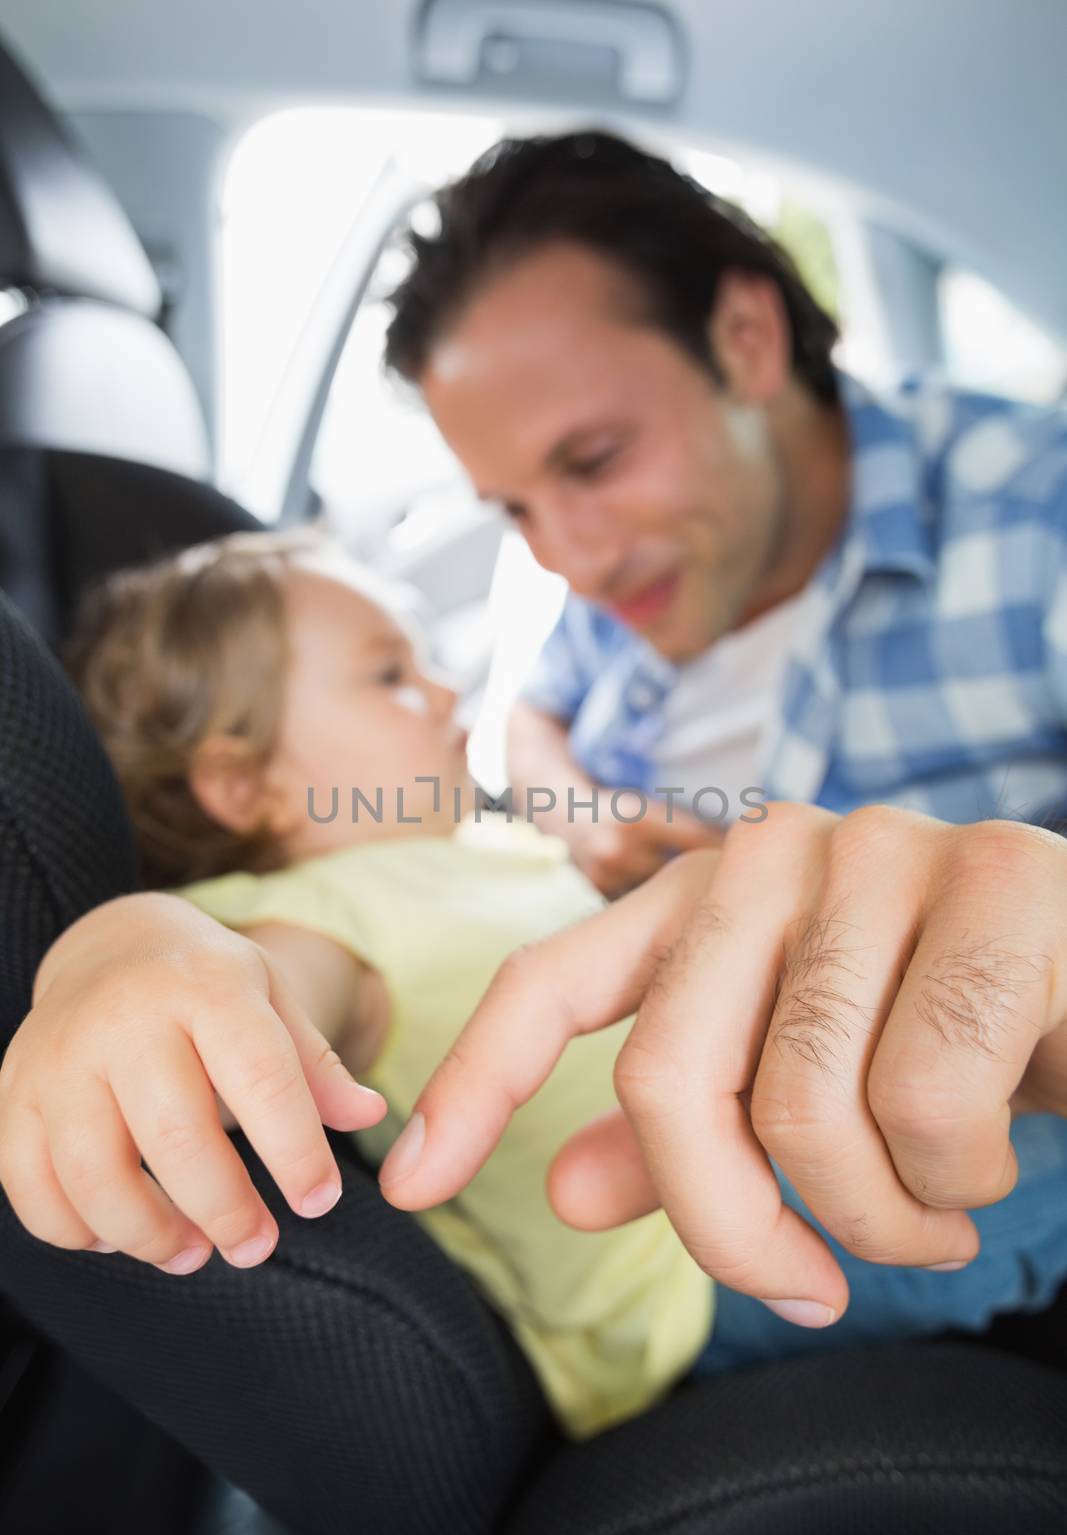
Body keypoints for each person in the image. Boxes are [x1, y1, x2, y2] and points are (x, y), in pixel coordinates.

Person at [370, 127, 1067, 1336]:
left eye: (591, 460)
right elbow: (526, 718)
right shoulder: (629, 585)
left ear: (744, 339)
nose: (567, 557)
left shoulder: (1033, 523)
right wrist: (582, 816)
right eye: (515, 508)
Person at [0, 528, 717, 1440]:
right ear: (241, 781)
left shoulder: (465, 845)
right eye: (390, 676)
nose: (447, 690)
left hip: (737, 1154)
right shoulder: (308, 915)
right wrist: (118, 950)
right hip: (676, 1283)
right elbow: (216, 974)